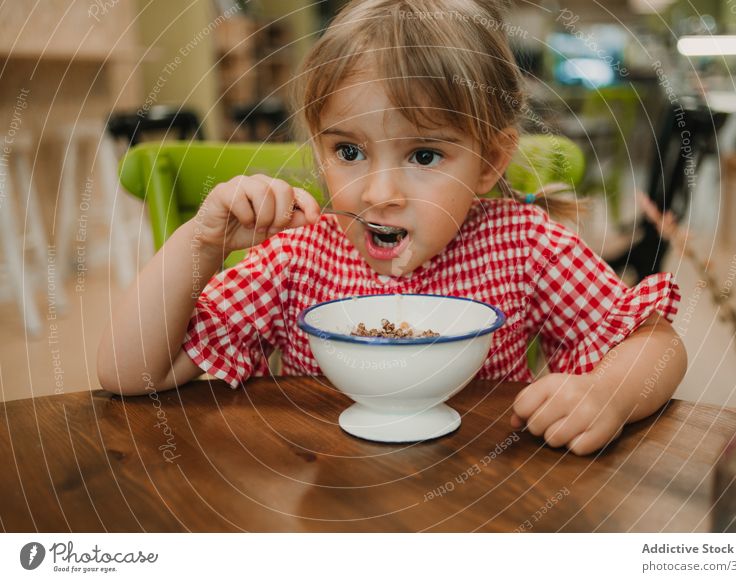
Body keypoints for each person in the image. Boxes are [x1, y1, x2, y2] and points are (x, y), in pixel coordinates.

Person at [98, 0, 686, 455]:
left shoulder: (526, 246)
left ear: (488, 162)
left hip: (483, 503)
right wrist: (200, 242)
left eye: (425, 155)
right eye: (349, 151)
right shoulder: (296, 258)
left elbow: (658, 345)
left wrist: (607, 393)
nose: (380, 195)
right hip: (326, 502)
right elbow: (127, 374)